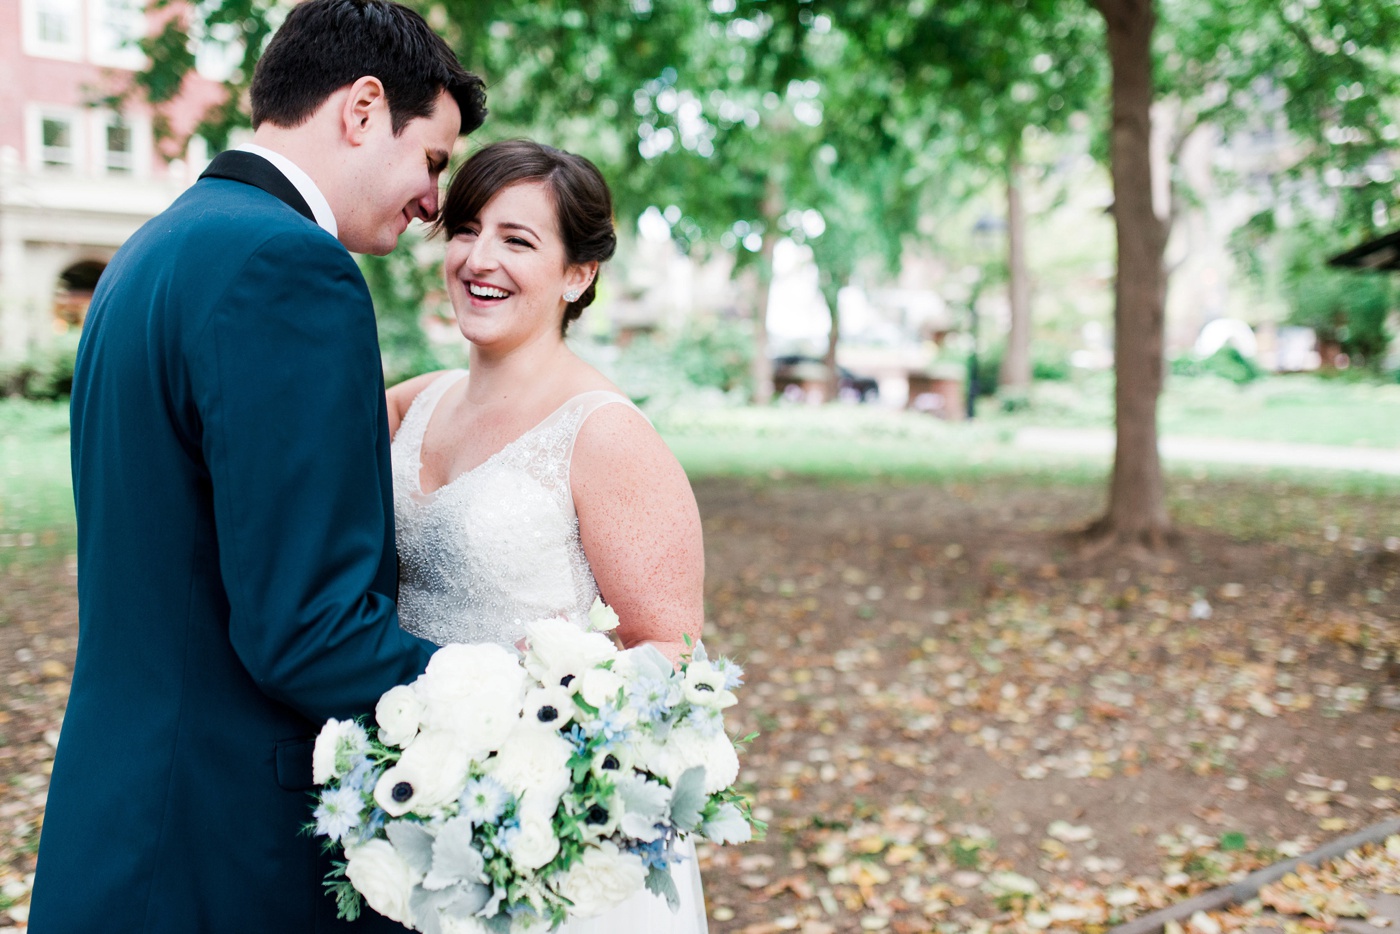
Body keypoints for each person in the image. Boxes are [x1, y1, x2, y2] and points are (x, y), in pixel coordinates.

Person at [28, 2, 485, 931]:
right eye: (432, 160)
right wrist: (511, 701)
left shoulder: (150, 253)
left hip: (119, 813)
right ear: (362, 108)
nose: (436, 201)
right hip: (224, 842)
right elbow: (307, 628)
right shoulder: (290, 266)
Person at [385, 139, 709, 932]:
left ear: (578, 274)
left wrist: (534, 760)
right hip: (405, 803)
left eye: (517, 240)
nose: (477, 258)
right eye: (466, 229)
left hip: (539, 832)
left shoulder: (604, 434)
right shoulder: (410, 405)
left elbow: (670, 649)